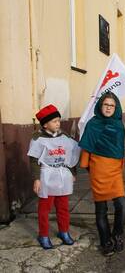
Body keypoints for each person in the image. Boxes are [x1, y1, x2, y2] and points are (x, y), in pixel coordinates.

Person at [79, 92, 125, 256]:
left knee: (121, 204)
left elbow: (119, 149)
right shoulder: (93, 124)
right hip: (98, 168)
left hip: (115, 170)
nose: (108, 108)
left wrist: (120, 165)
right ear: (100, 106)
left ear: (116, 107)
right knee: (101, 209)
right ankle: (105, 241)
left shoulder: (119, 125)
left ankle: (117, 235)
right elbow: (87, 146)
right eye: (106, 105)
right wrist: (86, 166)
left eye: (112, 105)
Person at [27, 104, 80, 249]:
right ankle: (43, 234)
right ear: (45, 124)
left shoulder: (64, 137)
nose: (58, 123)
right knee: (45, 208)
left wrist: (73, 172)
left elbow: (69, 154)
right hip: (46, 176)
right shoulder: (38, 139)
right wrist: (36, 179)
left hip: (62, 175)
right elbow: (34, 160)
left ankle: (64, 231)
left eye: (58, 120)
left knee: (63, 206)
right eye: (54, 121)